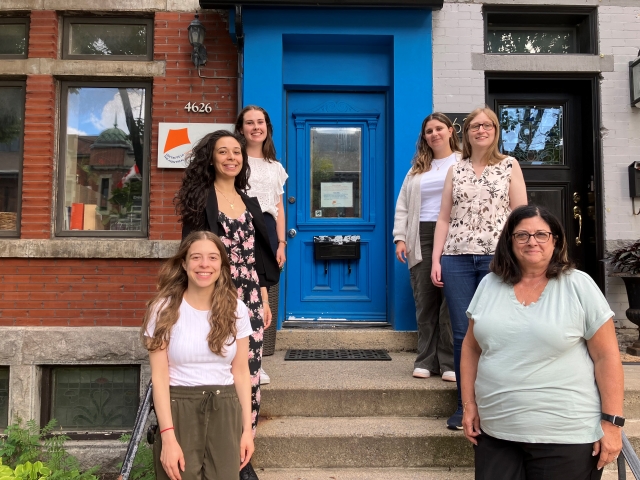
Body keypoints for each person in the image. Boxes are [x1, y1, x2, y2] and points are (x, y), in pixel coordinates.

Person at [460, 205, 624, 479]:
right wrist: (469, 405)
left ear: (555, 240)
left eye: (541, 234)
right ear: (509, 241)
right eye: (522, 235)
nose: (531, 241)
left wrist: (613, 424)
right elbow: (471, 347)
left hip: (566, 436)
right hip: (496, 433)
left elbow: (607, 356)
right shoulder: (489, 285)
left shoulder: (579, 286)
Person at [176, 130, 280, 480]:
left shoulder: (248, 201)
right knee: (216, 372)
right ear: (211, 158)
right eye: (223, 152)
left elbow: (256, 258)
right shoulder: (201, 199)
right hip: (215, 295)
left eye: (237, 152)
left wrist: (264, 300)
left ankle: (242, 454)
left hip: (250, 297)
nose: (232, 157)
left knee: (248, 376)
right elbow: (190, 255)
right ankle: (213, 450)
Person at [430, 107, 528, 430]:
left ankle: (497, 403)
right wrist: (436, 259)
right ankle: (464, 404)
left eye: (487, 125)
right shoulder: (455, 170)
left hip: (496, 262)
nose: (481, 130)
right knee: (462, 334)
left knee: (496, 330)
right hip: (456, 258)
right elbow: (443, 217)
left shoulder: (510, 166)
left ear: (496, 130)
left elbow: (521, 216)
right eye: (475, 125)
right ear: (467, 132)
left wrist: (522, 259)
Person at [141, 231, 254, 480]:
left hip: (225, 408)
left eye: (213, 258)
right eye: (196, 257)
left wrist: (247, 430)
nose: (204, 265)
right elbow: (159, 376)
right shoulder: (162, 309)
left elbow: (241, 372)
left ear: (222, 265)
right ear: (184, 263)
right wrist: (168, 436)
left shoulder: (237, 309)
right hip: (178, 409)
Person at [393, 112, 459, 381]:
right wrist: (400, 237)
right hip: (420, 235)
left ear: (450, 131)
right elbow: (403, 205)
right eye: (429, 131)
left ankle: (449, 363)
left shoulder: (463, 163)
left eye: (439, 128)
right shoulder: (418, 168)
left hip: (454, 235)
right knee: (425, 299)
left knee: (450, 302)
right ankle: (424, 360)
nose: (434, 134)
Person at [235, 105, 289, 386]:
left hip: (268, 231)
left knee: (268, 295)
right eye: (250, 123)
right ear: (241, 129)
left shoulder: (275, 167)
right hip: (241, 228)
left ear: (267, 127)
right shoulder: (236, 160)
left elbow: (279, 208)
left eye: (261, 122)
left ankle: (260, 360)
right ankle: (239, 357)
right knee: (243, 295)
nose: (256, 127)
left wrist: (281, 242)